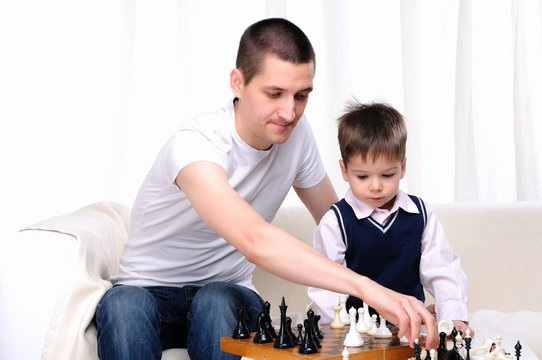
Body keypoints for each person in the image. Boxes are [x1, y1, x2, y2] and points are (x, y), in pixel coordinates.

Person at [95, 19, 438, 360]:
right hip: (146, 293)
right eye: (274, 94)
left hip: (228, 295)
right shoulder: (193, 146)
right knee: (124, 302)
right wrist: (368, 289)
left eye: (301, 96)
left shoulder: (298, 138)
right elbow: (254, 239)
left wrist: (400, 297)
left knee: (215, 298)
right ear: (238, 82)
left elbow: (348, 224)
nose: (289, 113)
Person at [307, 101, 473, 336]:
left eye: (387, 174)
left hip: (409, 330)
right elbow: (325, 285)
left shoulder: (421, 214)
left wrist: (452, 315)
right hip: (356, 334)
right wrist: (337, 331)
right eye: (362, 176)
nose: (376, 186)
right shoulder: (335, 222)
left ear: (402, 167)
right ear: (344, 171)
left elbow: (443, 268)